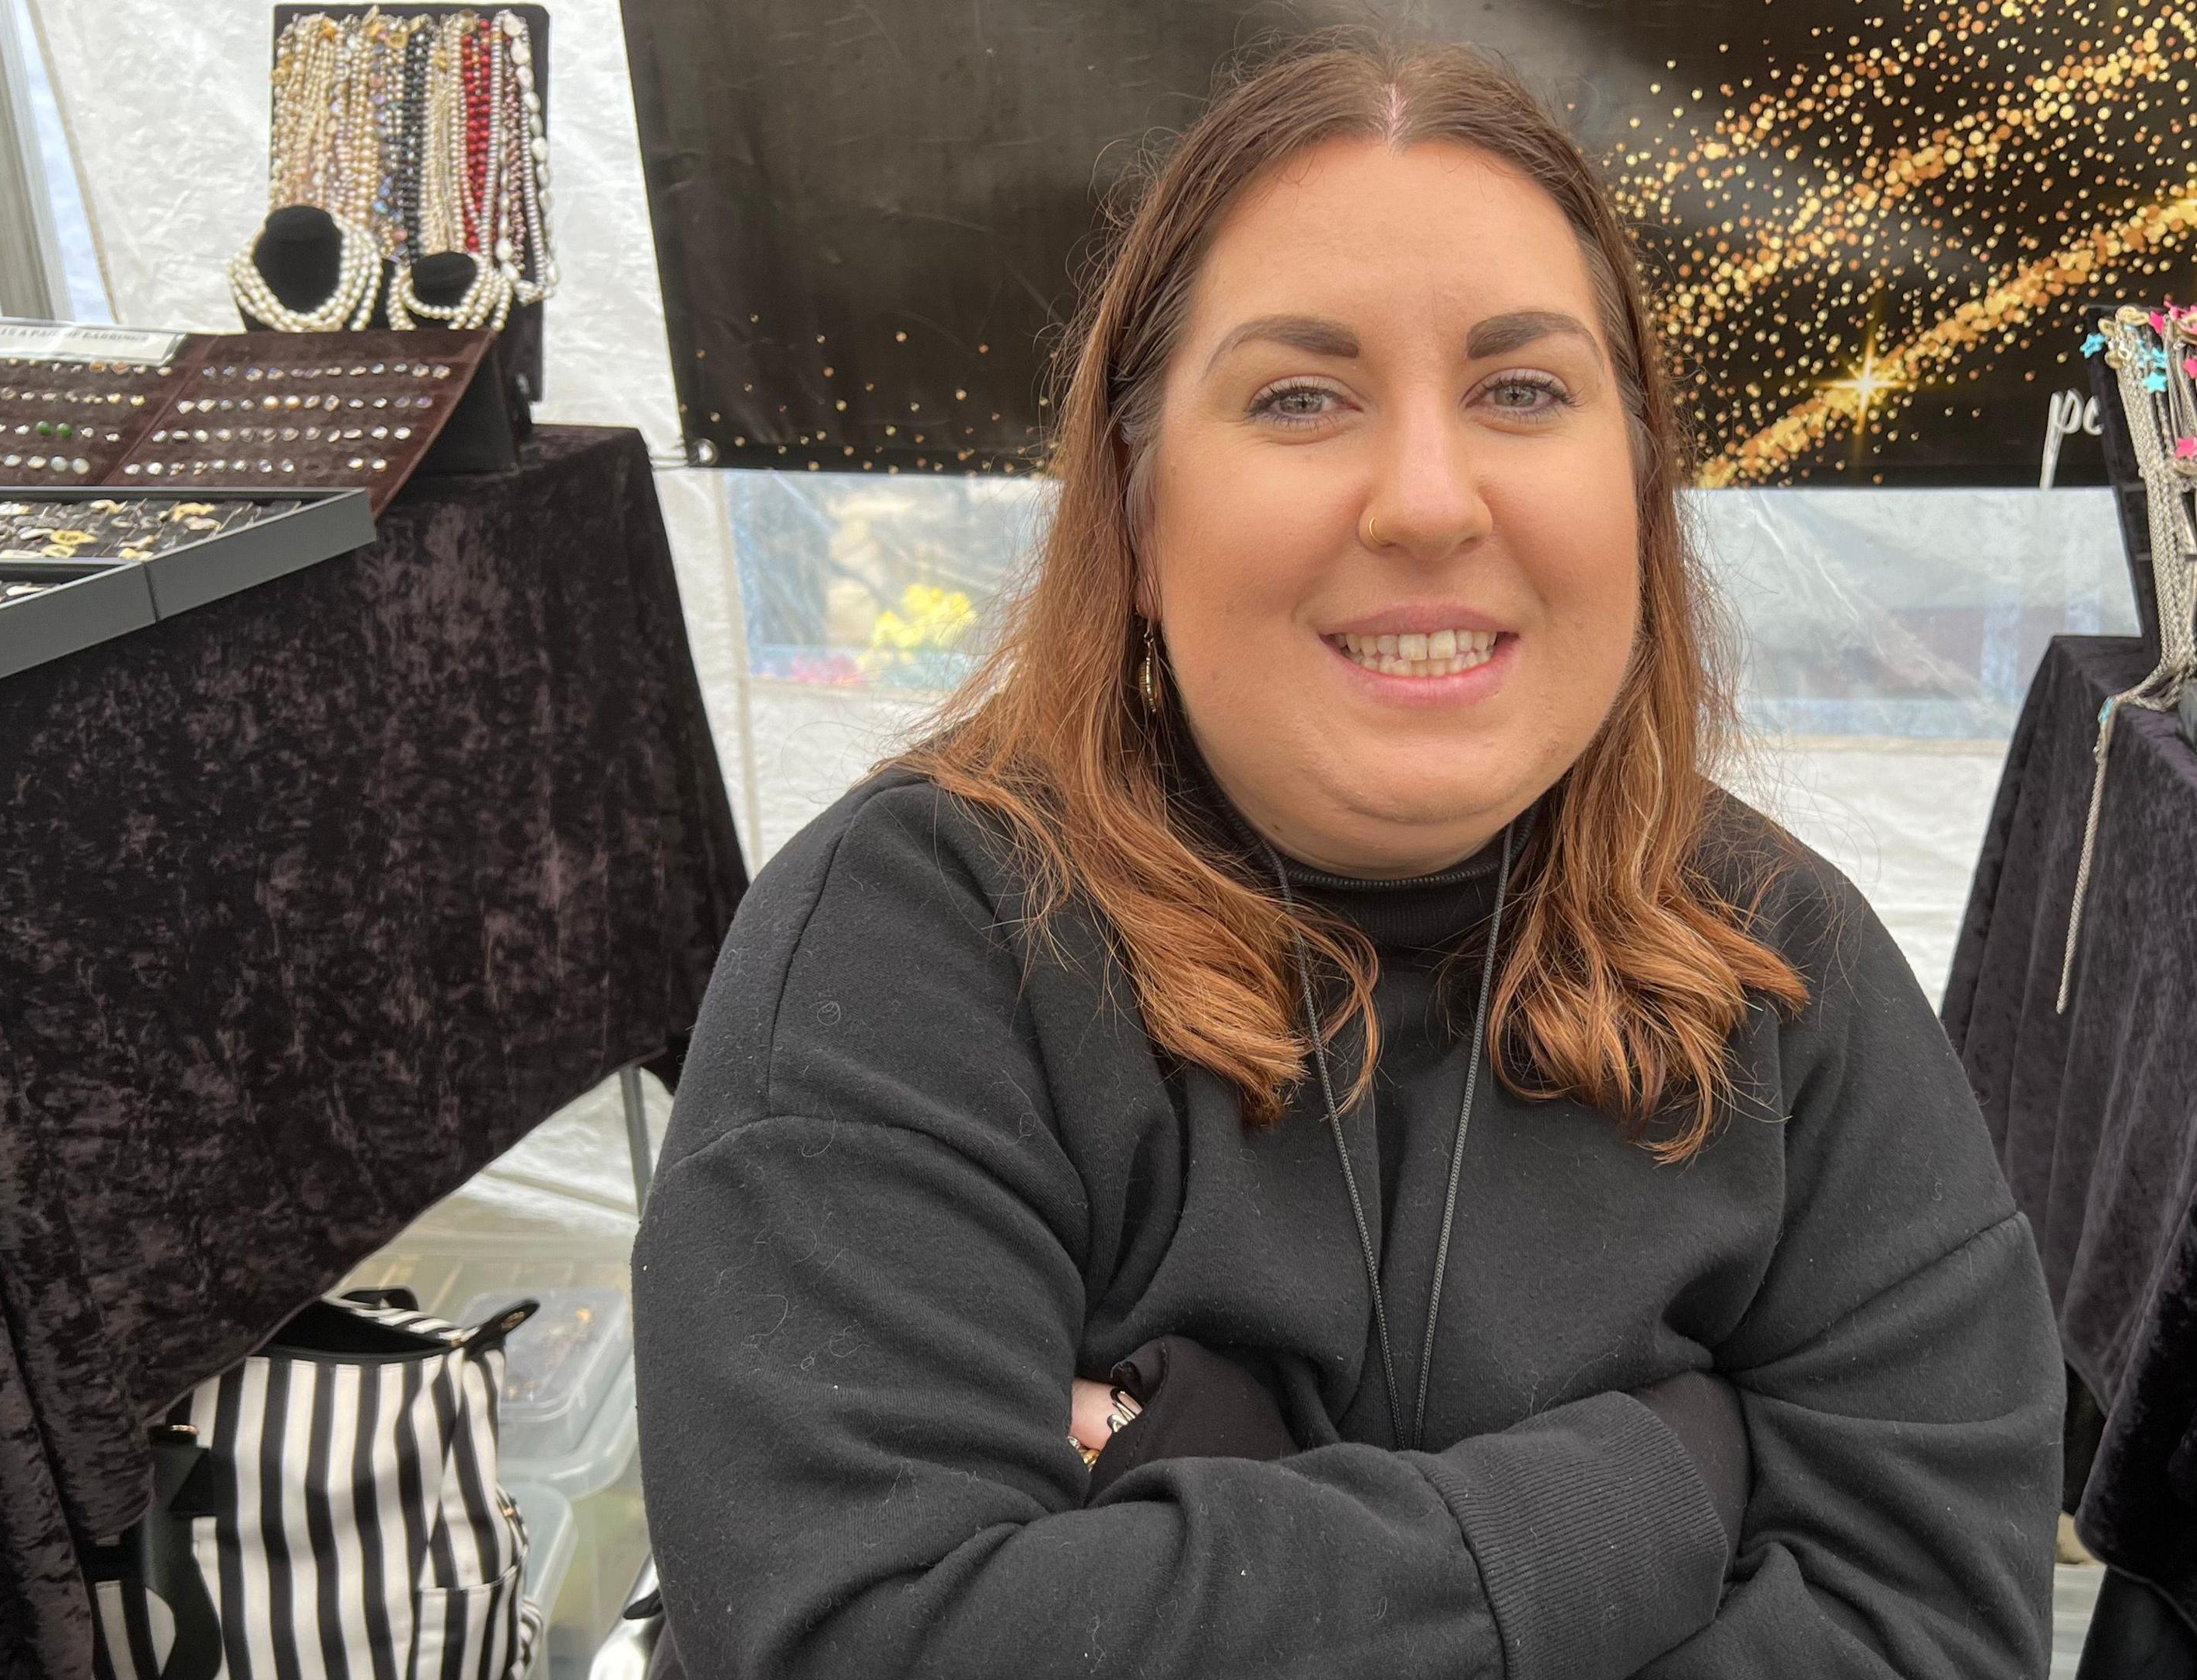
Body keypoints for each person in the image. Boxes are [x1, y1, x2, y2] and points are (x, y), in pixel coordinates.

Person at [633, 38, 2062, 1679]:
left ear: (1641, 477)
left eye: (1522, 390)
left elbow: (1932, 1636)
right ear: (1136, 501)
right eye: (1301, 396)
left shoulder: (1787, 978)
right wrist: (1651, 1488)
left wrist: (1175, 1528)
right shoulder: (906, 950)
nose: (1428, 499)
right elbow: (868, 1639)